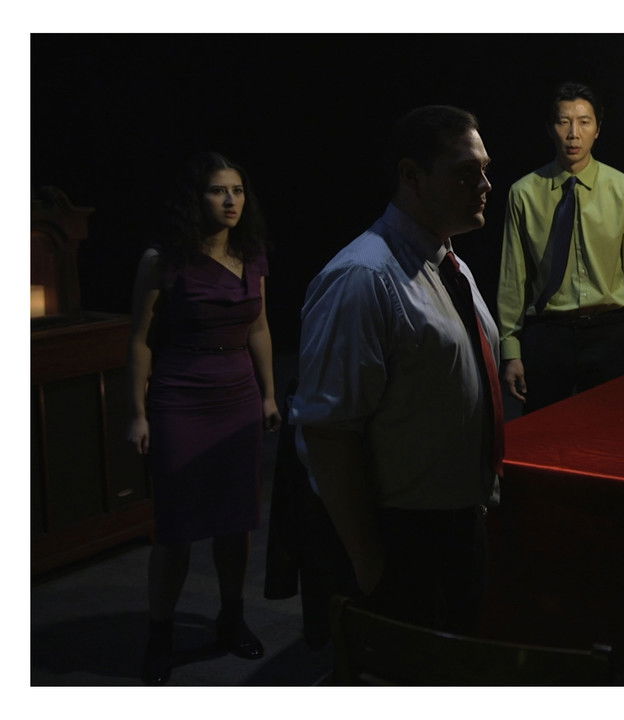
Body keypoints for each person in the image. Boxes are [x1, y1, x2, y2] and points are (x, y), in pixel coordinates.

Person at [290, 105, 501, 636]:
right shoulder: (363, 278)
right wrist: (370, 565)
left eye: (483, 169)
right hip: (404, 537)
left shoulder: (450, 264)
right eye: (465, 172)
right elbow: (328, 432)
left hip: (454, 522)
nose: (484, 185)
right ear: (412, 176)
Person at [127, 151, 280, 685]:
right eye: (218, 190)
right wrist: (137, 413)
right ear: (197, 199)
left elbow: (259, 327)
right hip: (181, 397)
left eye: (237, 190)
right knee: (176, 528)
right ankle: (160, 634)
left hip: (237, 396)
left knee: (236, 521)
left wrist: (268, 395)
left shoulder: (251, 254)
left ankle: (231, 619)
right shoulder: (164, 259)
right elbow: (140, 340)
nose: (231, 200)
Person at [497, 81, 624, 412]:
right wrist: (510, 350)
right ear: (550, 128)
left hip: (609, 331)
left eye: (584, 122)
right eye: (563, 122)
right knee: (543, 430)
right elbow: (513, 277)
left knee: (608, 429)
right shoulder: (524, 193)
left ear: (597, 129)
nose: (573, 134)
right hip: (547, 332)